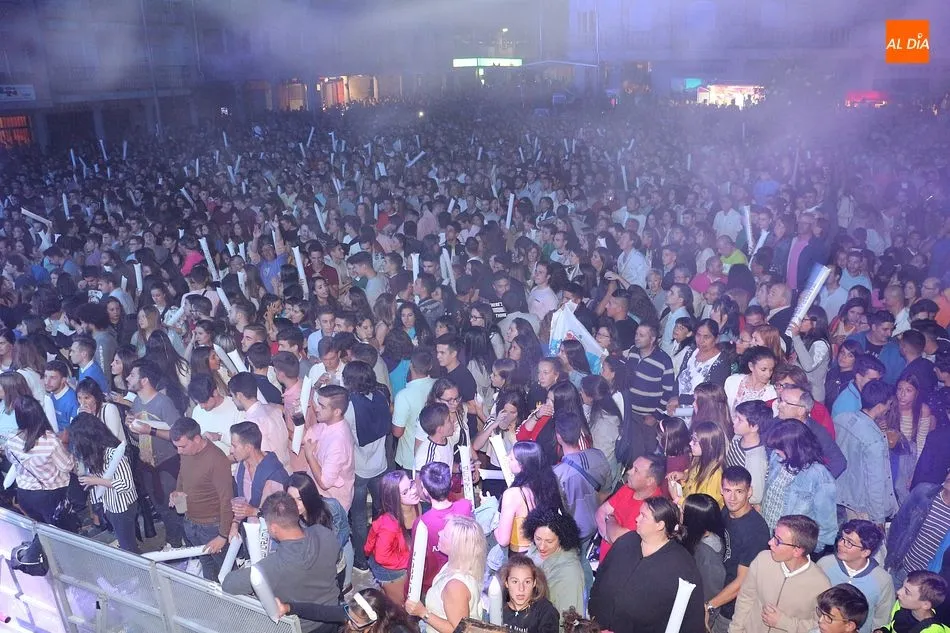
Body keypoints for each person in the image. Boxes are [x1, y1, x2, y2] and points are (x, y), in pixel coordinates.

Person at [223, 492, 341, 633]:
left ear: (273, 528)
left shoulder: (274, 566)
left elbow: (228, 584)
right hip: (333, 615)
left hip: (304, 628)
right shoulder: (324, 533)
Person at [589, 497, 705, 633]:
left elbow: (691, 620)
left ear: (660, 525)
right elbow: (602, 573)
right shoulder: (627, 541)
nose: (637, 519)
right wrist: (594, 612)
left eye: (643, 516)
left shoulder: (682, 567)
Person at [729, 514, 831, 633]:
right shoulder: (762, 559)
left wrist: (784, 622)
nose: (770, 542)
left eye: (777, 541)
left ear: (797, 551)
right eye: (774, 535)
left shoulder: (821, 585)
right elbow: (746, 598)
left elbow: (820, 626)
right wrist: (735, 630)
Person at [125, 359, 185, 548]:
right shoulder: (136, 402)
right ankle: (174, 541)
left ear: (144, 380)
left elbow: (178, 435)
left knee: (175, 506)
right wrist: (131, 428)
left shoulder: (163, 403)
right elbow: (138, 436)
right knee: (161, 507)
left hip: (167, 464)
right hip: (148, 465)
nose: (127, 378)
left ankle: (178, 543)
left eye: (132, 375)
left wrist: (149, 430)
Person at [705, 467, 770, 633]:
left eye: (739, 491)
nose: (732, 498)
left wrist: (710, 606)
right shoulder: (726, 511)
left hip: (731, 606)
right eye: (728, 490)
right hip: (718, 589)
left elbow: (742, 581)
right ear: (721, 490)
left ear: (749, 492)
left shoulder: (756, 530)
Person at [168, 416, 234, 580]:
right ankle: (211, 592)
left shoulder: (217, 460)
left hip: (212, 526)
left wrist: (223, 535)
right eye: (176, 447)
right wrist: (177, 492)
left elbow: (226, 500)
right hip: (191, 521)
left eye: (182, 446)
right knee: (206, 563)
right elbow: (182, 474)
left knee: (225, 569)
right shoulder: (187, 452)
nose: (179, 451)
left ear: (197, 439)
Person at [761, 420, 838, 552]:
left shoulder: (818, 475)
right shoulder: (777, 458)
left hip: (793, 545)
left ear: (794, 447)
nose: (776, 451)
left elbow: (827, 523)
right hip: (768, 533)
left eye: (780, 447)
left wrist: (812, 549)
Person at [66, 412, 139, 553]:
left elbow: (126, 485)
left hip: (122, 506)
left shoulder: (113, 453)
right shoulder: (96, 453)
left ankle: (135, 563)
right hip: (111, 504)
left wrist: (96, 480)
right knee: (125, 539)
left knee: (128, 545)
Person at [405, 515, 487, 633]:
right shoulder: (455, 565)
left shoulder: (456, 586)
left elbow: (458, 630)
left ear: (457, 546)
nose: (439, 533)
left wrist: (423, 613)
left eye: (445, 534)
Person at [833, 380, 899, 524]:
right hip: (860, 507)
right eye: (888, 404)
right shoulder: (874, 440)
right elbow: (875, 482)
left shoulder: (841, 418)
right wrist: (878, 519)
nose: (889, 408)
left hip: (838, 495)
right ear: (880, 406)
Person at [817, 520, 895, 633]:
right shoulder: (825, 564)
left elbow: (882, 620)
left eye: (849, 543)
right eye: (842, 538)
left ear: (865, 552)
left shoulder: (882, 580)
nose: (840, 544)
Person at [412, 461, 474, 597]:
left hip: (434, 584)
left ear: (425, 490)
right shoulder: (465, 506)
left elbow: (416, 561)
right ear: (450, 483)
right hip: (464, 575)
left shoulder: (422, 523)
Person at [494, 441, 563, 555]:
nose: (508, 461)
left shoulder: (513, 494)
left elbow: (503, 540)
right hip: (546, 553)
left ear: (522, 465)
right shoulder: (550, 486)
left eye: (511, 459)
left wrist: (494, 525)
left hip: (522, 557)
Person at [594, 454, 666, 562]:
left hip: (620, 566)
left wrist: (610, 519)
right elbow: (601, 512)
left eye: (636, 470)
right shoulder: (628, 488)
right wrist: (607, 537)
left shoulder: (654, 508)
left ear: (649, 481)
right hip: (605, 560)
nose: (629, 472)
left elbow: (620, 539)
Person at [521, 507, 586, 621]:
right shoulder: (533, 551)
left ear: (562, 539)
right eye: (538, 539)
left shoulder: (570, 574)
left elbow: (569, 621)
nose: (541, 546)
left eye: (549, 541)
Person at [364, 470, 415, 602]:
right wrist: (412, 560)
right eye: (405, 492)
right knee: (400, 604)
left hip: (402, 558)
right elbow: (382, 557)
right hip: (390, 570)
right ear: (394, 499)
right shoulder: (389, 525)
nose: (413, 491)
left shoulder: (415, 505)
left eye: (411, 485)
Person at [277, 588, 419, 633]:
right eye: (349, 616)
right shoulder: (355, 612)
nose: (349, 623)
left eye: (356, 622)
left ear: (373, 622)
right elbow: (321, 612)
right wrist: (288, 607)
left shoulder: (397, 630)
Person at [681, 493, 727, 602]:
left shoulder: (708, 557)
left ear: (692, 520)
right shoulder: (701, 536)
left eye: (682, 512)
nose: (679, 513)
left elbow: (710, 595)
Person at [669, 420, 727, 507]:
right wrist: (683, 476)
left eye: (695, 441)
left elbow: (704, 508)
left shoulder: (715, 475)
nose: (690, 443)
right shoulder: (698, 460)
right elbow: (693, 479)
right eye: (692, 438)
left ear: (708, 446)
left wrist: (677, 499)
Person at [498, 553, 560, 633]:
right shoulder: (498, 606)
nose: (521, 589)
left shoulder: (546, 612)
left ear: (534, 583)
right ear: (506, 583)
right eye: (515, 582)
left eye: (527, 582)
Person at [625, 321, 676, 417]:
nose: (636, 338)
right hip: (627, 409)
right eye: (636, 334)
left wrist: (656, 415)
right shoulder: (632, 352)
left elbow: (669, 391)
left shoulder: (664, 361)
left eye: (641, 335)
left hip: (646, 416)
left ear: (652, 339)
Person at [726, 400, 771, 506]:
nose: (734, 421)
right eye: (735, 417)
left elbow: (755, 496)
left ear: (754, 427)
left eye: (739, 420)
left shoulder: (756, 458)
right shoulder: (738, 437)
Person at [877, 571, 949, 633]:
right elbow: (893, 625)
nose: (898, 592)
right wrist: (884, 630)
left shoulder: (931, 631)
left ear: (925, 604)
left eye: (907, 592)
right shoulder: (901, 604)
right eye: (902, 586)